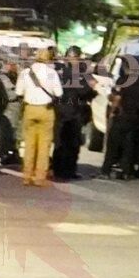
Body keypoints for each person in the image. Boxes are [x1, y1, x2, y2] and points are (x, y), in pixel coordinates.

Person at [105, 55, 139, 179]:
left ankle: (107, 170)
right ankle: (127, 171)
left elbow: (117, 98)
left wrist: (112, 111)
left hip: (122, 116)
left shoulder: (123, 80)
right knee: (131, 145)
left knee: (114, 144)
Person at [15, 48, 63, 186]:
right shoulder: (52, 73)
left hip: (29, 109)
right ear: (48, 57)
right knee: (44, 145)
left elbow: (18, 91)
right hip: (46, 110)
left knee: (29, 144)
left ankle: (26, 175)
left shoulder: (25, 73)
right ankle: (39, 177)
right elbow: (59, 93)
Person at [52, 48, 92, 180]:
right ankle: (68, 171)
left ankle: (58, 170)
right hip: (73, 112)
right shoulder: (80, 72)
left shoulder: (59, 71)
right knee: (72, 144)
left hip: (60, 110)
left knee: (60, 142)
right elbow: (85, 91)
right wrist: (93, 91)